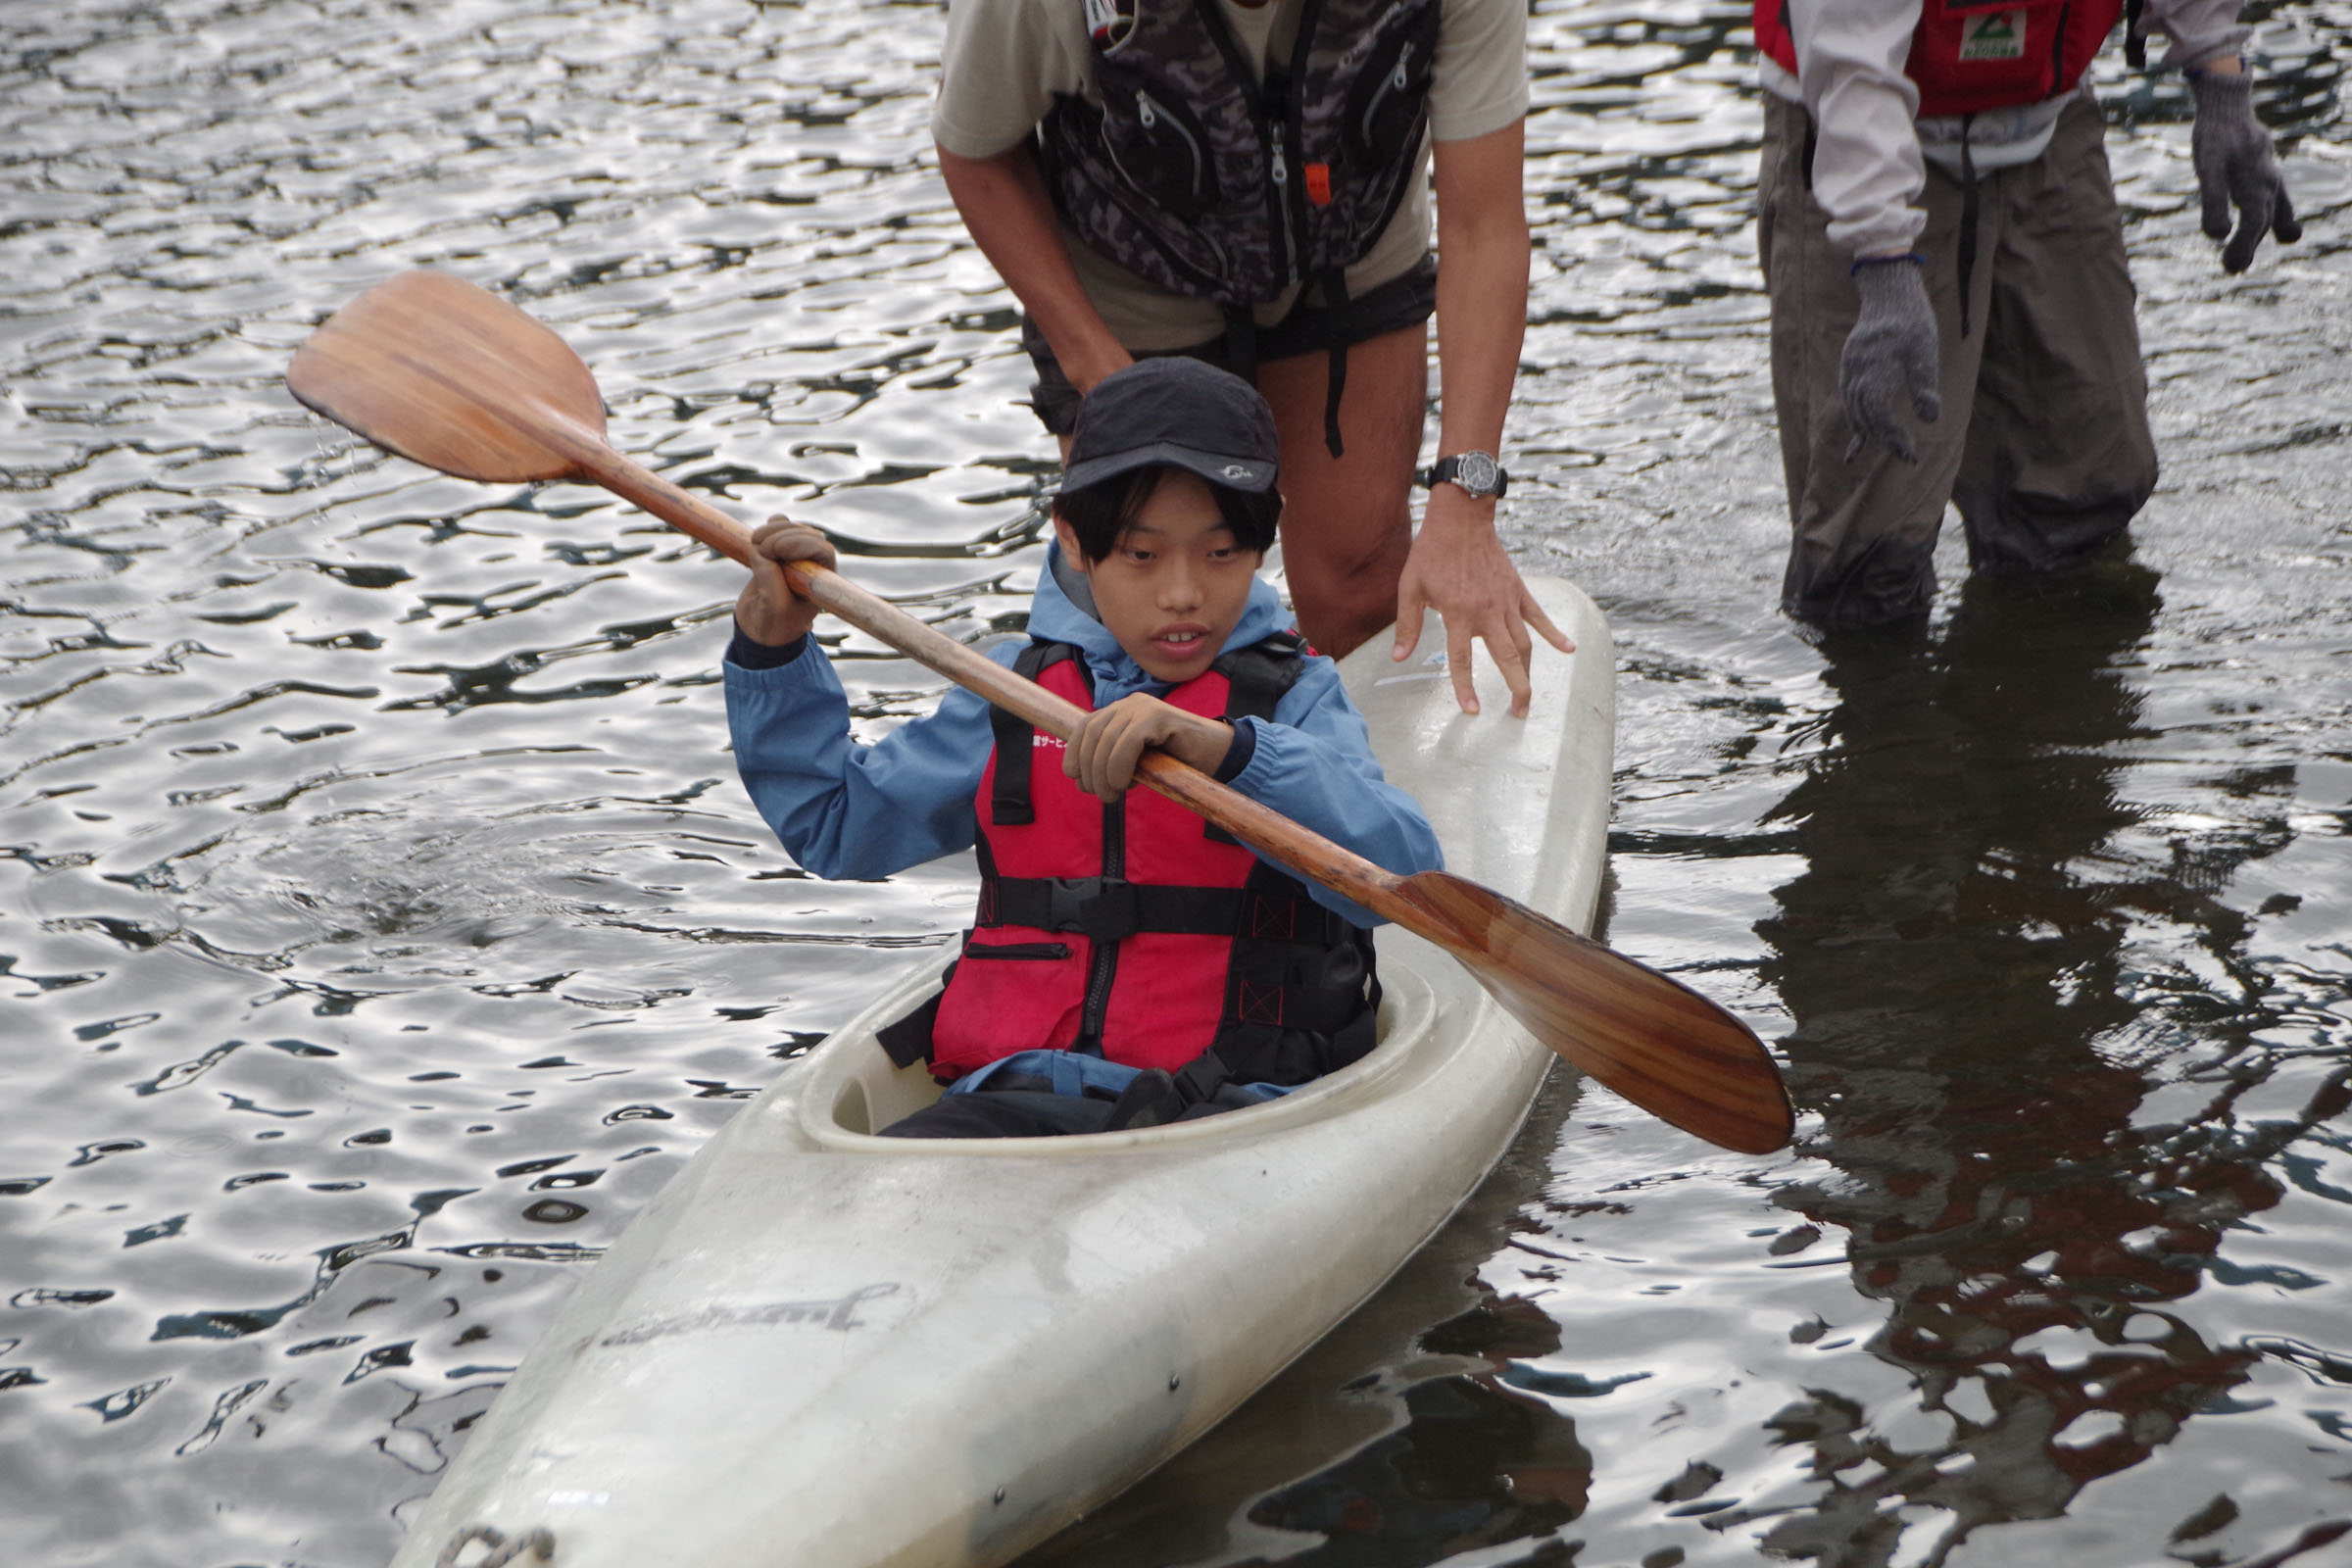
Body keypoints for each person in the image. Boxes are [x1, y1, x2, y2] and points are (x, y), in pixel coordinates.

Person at [725, 357, 1444, 1138]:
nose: (1183, 593)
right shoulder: (1010, 693)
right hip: (1010, 1099)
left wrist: (1232, 755)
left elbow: (1401, 879)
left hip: (1235, 1114)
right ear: (1072, 537)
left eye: (1221, 552)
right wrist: (774, 655)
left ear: (1263, 540)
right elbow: (836, 825)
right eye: (1142, 555)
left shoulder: (1295, 698)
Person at [929, 0, 1571, 718]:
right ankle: (1135, 792)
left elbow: (1484, 227)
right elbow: (975, 150)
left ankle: (1352, 779)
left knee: (1356, 585)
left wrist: (1465, 502)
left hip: (1347, 260)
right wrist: (1106, 378)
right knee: (1149, 600)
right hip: (1128, 283)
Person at [1755, 0, 2300, 626]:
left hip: (2045, 119)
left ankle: (2046, 706)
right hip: (1855, 127)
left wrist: (2221, 83)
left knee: (2087, 484)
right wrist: (1881, 262)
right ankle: (1881, 709)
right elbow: (1853, 66)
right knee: (1870, 558)